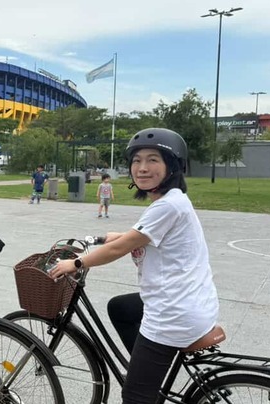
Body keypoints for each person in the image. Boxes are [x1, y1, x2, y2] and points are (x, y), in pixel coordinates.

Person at [49, 128, 219, 404]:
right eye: (137, 160)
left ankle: (144, 385)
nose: (142, 168)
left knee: (134, 396)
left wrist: (76, 263)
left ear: (172, 166)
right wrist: (106, 237)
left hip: (173, 314)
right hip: (191, 302)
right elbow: (135, 237)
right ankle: (147, 371)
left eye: (153, 160)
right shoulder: (170, 202)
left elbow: (119, 248)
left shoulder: (167, 206)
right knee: (121, 308)